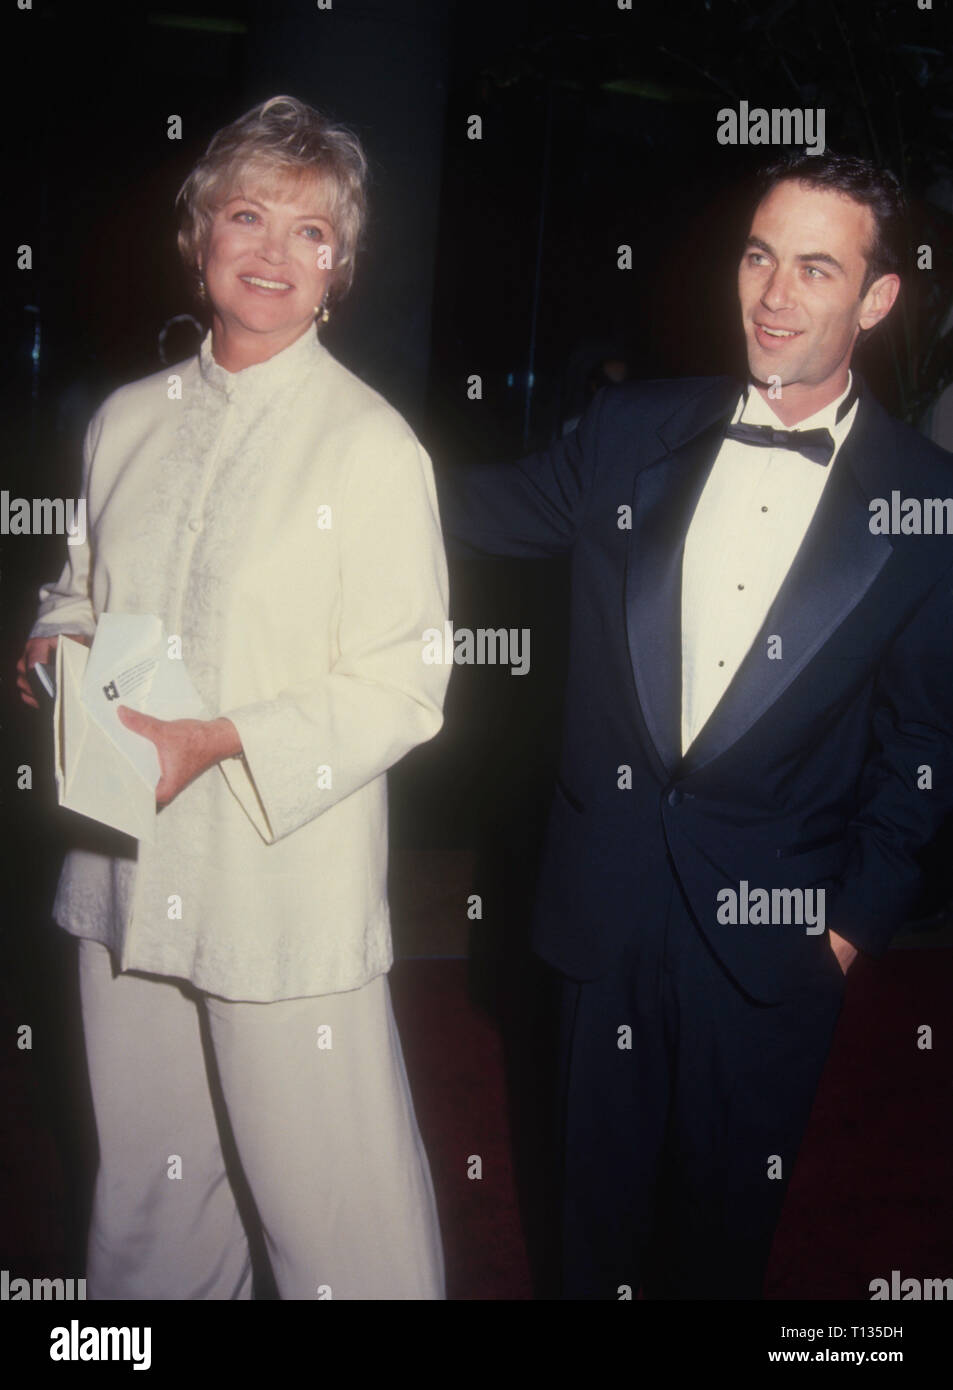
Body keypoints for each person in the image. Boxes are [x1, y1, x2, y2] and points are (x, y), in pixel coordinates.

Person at [438, 150, 953, 1299]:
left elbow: (923, 744)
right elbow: (455, 513)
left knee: (719, 1248)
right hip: (597, 911)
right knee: (583, 1235)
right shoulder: (629, 427)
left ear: (873, 300)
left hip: (771, 945)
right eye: (759, 255)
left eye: (814, 268)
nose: (772, 294)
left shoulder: (929, 504)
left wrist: (850, 926)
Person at [16, 94, 449, 1301]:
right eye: (246, 215)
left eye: (310, 233)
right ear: (198, 236)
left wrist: (218, 739)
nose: (272, 250)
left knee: (333, 1222)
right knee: (147, 1194)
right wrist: (53, 645)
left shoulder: (371, 446)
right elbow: (81, 584)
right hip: (125, 858)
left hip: (280, 876)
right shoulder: (123, 420)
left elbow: (407, 682)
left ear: (339, 269)